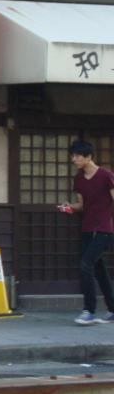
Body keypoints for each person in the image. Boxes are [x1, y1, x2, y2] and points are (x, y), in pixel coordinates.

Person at [60, 140, 114, 326]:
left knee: (85, 265)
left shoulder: (106, 176)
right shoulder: (79, 179)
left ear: (89, 156)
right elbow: (81, 205)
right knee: (99, 271)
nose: (73, 159)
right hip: (87, 228)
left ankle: (89, 310)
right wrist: (69, 208)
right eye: (72, 156)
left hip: (104, 230)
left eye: (77, 156)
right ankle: (113, 309)